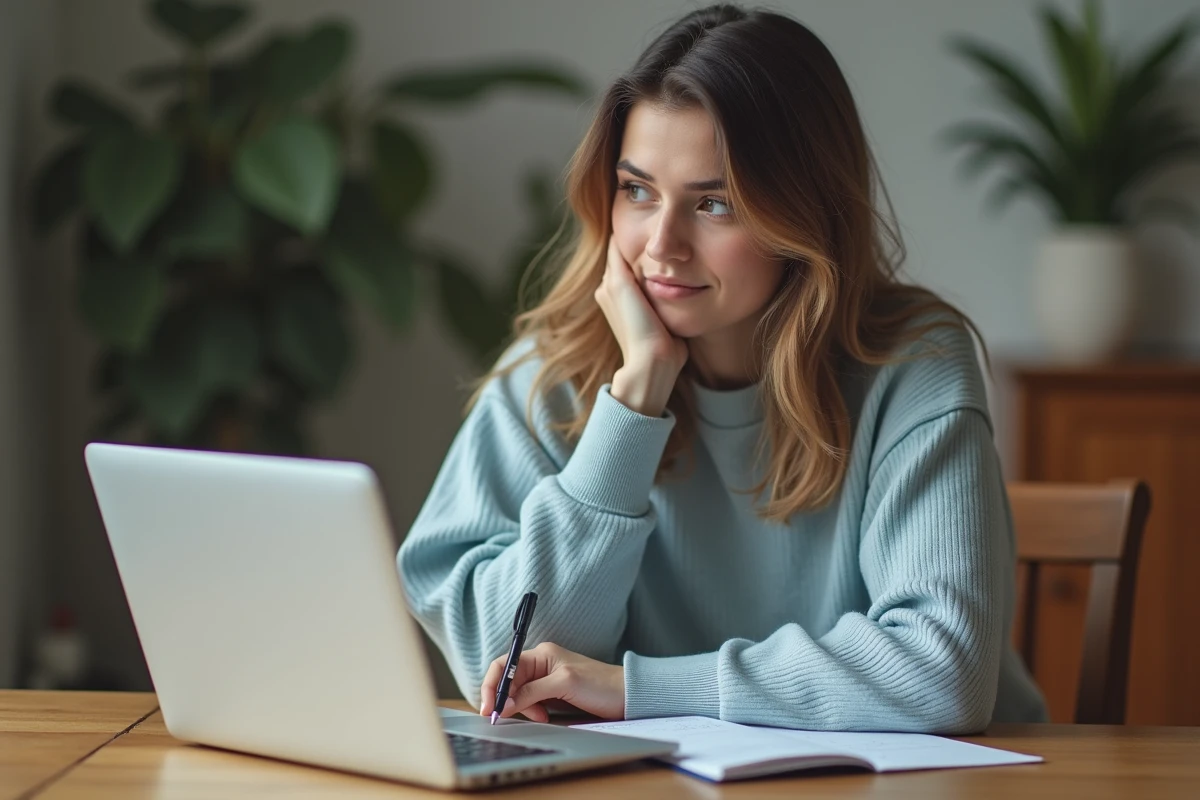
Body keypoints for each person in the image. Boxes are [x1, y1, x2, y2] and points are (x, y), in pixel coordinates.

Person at [397, 3, 1048, 733]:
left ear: (804, 217)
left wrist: (644, 689)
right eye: (637, 190)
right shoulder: (553, 374)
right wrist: (634, 401)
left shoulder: (912, 364)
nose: (661, 245)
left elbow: (941, 670)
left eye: (715, 203)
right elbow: (508, 674)